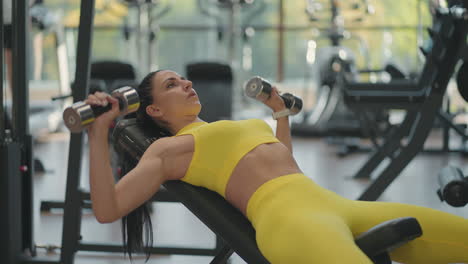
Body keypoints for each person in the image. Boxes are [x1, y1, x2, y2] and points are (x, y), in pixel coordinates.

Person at [86, 70, 468, 264]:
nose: (186, 84)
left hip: (331, 204)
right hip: (291, 223)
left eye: (183, 79)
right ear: (154, 110)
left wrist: (280, 115)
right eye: (172, 85)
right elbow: (107, 210)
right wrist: (98, 132)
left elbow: (281, 162)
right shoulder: (168, 150)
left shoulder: (227, 126)